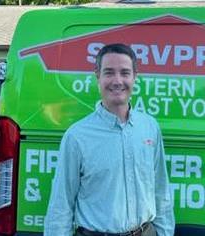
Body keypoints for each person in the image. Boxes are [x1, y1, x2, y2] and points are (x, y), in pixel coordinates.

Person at [44, 43, 175, 236]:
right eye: (109, 72)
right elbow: (61, 205)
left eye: (124, 72)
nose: (117, 80)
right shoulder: (77, 136)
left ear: (134, 77)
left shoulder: (149, 128)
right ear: (98, 77)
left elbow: (161, 191)